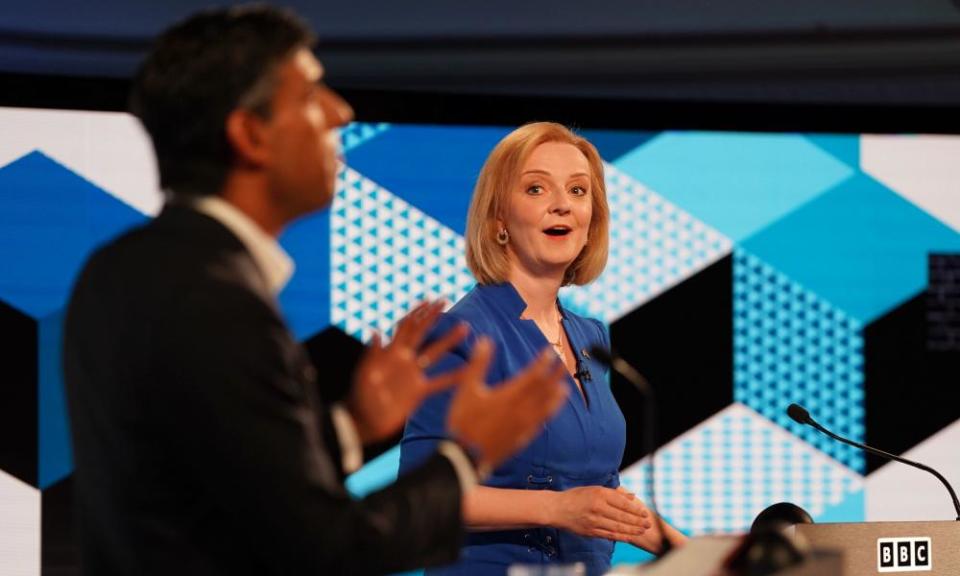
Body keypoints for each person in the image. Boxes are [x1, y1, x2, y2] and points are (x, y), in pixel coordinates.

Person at [62, 7, 568, 576]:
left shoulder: (121, 269)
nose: (340, 111)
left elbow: (219, 489)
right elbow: (330, 548)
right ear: (250, 135)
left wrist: (351, 423)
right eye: (310, 94)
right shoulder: (214, 302)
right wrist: (465, 454)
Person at [400, 122, 687, 575]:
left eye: (578, 191)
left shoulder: (591, 337)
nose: (562, 205)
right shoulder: (460, 335)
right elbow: (422, 498)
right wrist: (557, 508)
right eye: (536, 189)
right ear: (498, 220)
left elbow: (602, 501)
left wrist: (700, 554)